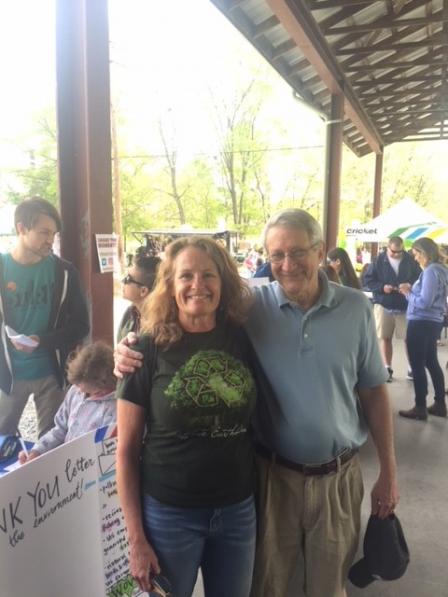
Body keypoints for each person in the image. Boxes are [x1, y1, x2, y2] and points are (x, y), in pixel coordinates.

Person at [115, 210, 399, 597]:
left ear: (319, 253)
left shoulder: (346, 309)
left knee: (329, 587)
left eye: (298, 252)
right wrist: (124, 351)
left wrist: (389, 470)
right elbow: (127, 446)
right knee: (269, 587)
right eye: (276, 254)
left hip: (329, 479)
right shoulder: (248, 311)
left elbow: (373, 391)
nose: (286, 265)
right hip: (268, 480)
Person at [116, 236, 257, 597]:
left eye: (209, 275)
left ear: (224, 282)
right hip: (169, 514)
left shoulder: (243, 337)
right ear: (169, 284)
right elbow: (126, 450)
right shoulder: (145, 347)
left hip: (237, 509)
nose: (198, 285)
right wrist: (135, 539)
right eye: (186, 276)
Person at [0, 197, 89, 438]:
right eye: (44, 232)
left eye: (54, 234)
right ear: (21, 228)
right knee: (2, 441)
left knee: (52, 447)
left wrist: (42, 340)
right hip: (7, 375)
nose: (51, 240)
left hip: (52, 374)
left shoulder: (64, 272)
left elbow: (81, 325)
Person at [18, 341, 116, 463]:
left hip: (88, 466)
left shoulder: (113, 408)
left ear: (106, 384)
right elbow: (60, 429)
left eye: (91, 391)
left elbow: (107, 453)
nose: (80, 391)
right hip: (65, 462)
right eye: (78, 386)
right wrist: (37, 451)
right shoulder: (75, 391)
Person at [398, 238, 448, 420]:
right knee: (431, 362)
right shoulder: (442, 270)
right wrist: (413, 291)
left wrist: (407, 293)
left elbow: (425, 302)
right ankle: (440, 403)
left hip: (421, 322)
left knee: (417, 364)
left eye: (417, 253)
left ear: (425, 253)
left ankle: (420, 406)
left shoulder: (430, 272)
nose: (415, 257)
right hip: (434, 322)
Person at [364, 236, 421, 382]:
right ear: (387, 247)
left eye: (399, 252)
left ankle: (411, 368)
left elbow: (419, 278)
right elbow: (368, 280)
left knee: (409, 339)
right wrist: (382, 287)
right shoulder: (378, 260)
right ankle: (387, 367)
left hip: (405, 304)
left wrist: (409, 285)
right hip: (384, 303)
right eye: (393, 252)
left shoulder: (410, 260)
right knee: (385, 337)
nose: (396, 254)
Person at [117, 247, 161, 341]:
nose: (123, 281)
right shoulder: (130, 313)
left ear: (143, 291)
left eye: (128, 279)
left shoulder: (164, 325)